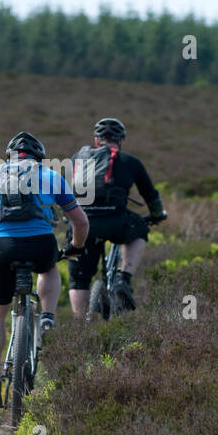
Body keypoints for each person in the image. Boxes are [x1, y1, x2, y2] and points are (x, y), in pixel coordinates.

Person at [0, 131, 89, 409]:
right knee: (49, 269)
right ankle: (47, 317)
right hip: (41, 245)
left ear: (9, 156)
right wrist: (75, 248)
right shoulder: (52, 175)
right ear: (39, 157)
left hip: (4, 247)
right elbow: (80, 222)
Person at [67, 117, 167, 317]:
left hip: (84, 224)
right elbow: (150, 194)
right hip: (116, 221)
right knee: (139, 229)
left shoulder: (77, 159)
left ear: (97, 140)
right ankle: (124, 277)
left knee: (79, 280)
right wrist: (156, 215)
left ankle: (82, 330)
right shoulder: (130, 161)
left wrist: (69, 219)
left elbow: (65, 193)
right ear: (121, 140)